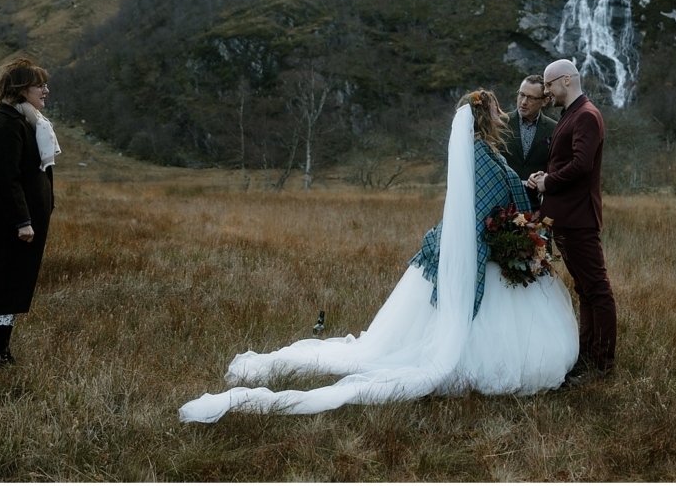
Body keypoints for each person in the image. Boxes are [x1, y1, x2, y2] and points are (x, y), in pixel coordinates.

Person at [179, 89, 579, 421]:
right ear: (483, 117)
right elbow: (489, 203)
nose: (504, 112)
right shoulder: (479, 157)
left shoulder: (478, 152)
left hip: (485, 243)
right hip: (486, 245)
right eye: (496, 109)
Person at [0, 57, 60, 367]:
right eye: (38, 85)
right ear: (21, 90)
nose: (45, 90)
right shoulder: (5, 125)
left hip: (20, 223)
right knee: (0, 284)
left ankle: (0, 351)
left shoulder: (25, 120)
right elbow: (5, 179)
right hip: (7, 224)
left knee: (10, 284)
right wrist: (22, 221)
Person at [528, 59, 616, 384]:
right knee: (585, 290)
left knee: (598, 290)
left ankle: (602, 367)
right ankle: (588, 358)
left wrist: (548, 183)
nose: (546, 92)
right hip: (567, 217)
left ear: (566, 80)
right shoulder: (573, 114)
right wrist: (545, 176)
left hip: (579, 218)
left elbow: (581, 165)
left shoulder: (587, 115)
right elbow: (568, 161)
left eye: (549, 85)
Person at [501, 75, 557, 209]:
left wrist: (544, 176)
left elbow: (557, 166)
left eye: (531, 98)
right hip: (501, 206)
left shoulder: (555, 129)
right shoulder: (500, 124)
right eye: (521, 95)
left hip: (536, 207)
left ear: (545, 101)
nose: (523, 102)